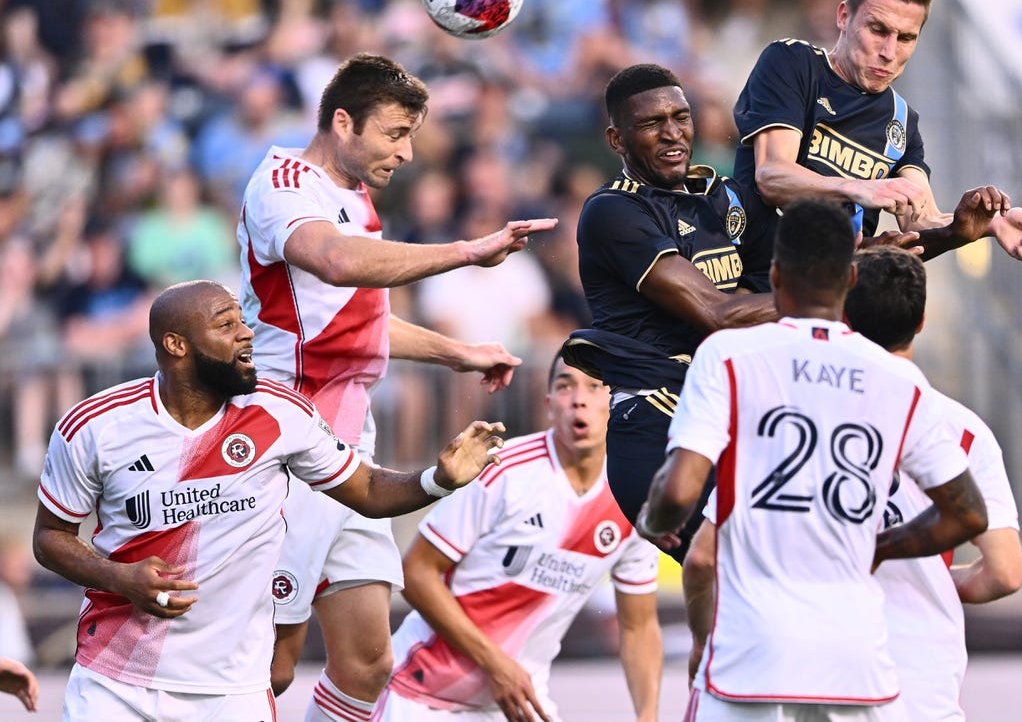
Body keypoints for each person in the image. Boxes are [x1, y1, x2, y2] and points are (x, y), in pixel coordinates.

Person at [236, 52, 557, 720]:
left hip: (351, 443)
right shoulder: (284, 182)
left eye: (412, 135)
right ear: (342, 122)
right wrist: (469, 250)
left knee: (366, 660)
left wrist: (456, 352)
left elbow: (358, 322)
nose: (407, 152)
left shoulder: (355, 197)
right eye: (394, 133)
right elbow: (335, 260)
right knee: (273, 661)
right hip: (289, 441)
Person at [32, 279, 506, 722]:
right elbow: (51, 538)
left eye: (242, 320)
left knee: (368, 660)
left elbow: (365, 489)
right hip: (116, 684)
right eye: (226, 324)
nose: (246, 334)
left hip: (234, 692)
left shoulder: (280, 411)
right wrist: (120, 577)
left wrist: (437, 479)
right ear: (176, 345)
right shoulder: (94, 427)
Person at [637, 200, 989, 720]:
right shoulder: (898, 381)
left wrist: (653, 519)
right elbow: (968, 515)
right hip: (853, 656)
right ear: (850, 278)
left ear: (775, 275)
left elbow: (679, 492)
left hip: (751, 654)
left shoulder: (729, 356)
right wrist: (878, 546)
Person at [563, 63, 775, 564]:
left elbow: (792, 284)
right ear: (617, 139)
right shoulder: (612, 211)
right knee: (734, 576)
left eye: (681, 116)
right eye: (651, 123)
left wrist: (950, 235)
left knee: (763, 595)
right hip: (658, 426)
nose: (672, 133)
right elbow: (718, 313)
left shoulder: (726, 198)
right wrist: (833, 292)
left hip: (729, 416)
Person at [376, 352, 662, 722]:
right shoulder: (504, 470)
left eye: (595, 386)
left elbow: (639, 626)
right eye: (564, 386)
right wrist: (497, 665)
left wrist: (649, 715)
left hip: (518, 701)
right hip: (418, 693)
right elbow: (416, 573)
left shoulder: (634, 495)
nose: (579, 398)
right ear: (548, 406)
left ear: (619, 402)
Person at [732, 0, 1022, 262]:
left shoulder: (901, 121)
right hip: (752, 279)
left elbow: (922, 221)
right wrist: (861, 189)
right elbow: (772, 175)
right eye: (878, 30)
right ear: (844, 16)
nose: (889, 52)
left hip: (829, 294)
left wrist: (985, 226)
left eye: (905, 38)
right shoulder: (793, 63)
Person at [845, 246, 1022, 720]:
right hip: (921, 676)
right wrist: (930, 580)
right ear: (921, 320)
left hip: (821, 665)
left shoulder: (803, 410)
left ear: (843, 315)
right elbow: (1006, 573)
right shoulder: (964, 430)